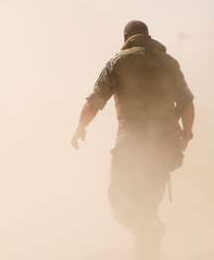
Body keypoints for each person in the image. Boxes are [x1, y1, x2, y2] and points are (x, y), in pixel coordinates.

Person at [71, 20, 195, 259]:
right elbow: (187, 103)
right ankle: (147, 243)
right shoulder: (169, 63)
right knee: (150, 199)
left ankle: (146, 232)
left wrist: (81, 126)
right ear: (148, 36)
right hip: (167, 142)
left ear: (125, 38)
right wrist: (186, 136)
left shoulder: (118, 62)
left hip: (132, 142)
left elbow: (95, 101)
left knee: (121, 197)